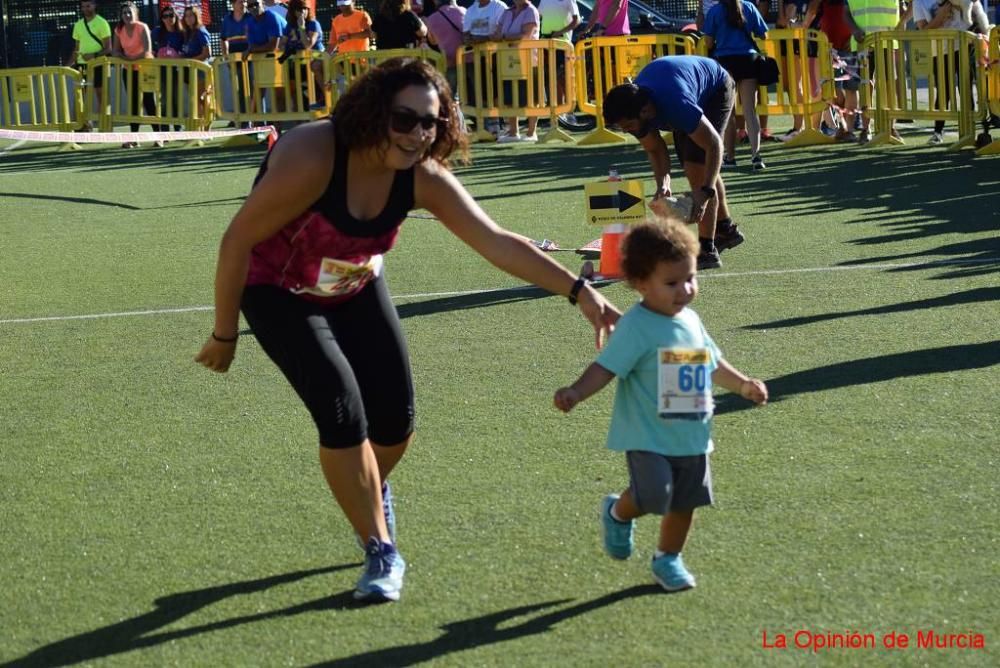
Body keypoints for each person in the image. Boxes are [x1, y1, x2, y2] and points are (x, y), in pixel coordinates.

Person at [194, 58, 620, 603]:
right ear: (373, 111)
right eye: (405, 118)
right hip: (277, 289)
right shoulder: (314, 155)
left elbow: (495, 241)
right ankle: (379, 546)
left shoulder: (422, 177)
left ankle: (369, 490)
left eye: (431, 124)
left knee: (395, 423)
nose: (418, 134)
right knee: (340, 407)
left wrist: (581, 293)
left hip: (354, 284)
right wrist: (225, 334)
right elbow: (237, 241)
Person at [553, 218, 767, 592]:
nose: (685, 289)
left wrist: (743, 385)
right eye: (672, 283)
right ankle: (618, 512)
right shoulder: (637, 326)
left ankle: (668, 557)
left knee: (684, 502)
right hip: (648, 435)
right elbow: (606, 367)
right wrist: (576, 392)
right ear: (640, 283)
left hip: (692, 433)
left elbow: (712, 361)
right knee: (654, 495)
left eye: (690, 278)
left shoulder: (692, 320)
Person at [602, 56, 744, 270]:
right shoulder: (636, 109)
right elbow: (655, 149)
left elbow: (714, 146)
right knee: (695, 165)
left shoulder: (676, 104)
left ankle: (707, 250)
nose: (628, 131)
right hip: (683, 86)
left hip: (715, 88)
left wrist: (704, 192)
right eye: (624, 128)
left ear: (646, 112)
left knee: (696, 165)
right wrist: (663, 184)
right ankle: (725, 228)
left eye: (629, 126)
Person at [703, 0, 769, 170]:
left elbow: (708, 42)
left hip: (725, 62)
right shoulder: (749, 7)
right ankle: (756, 155)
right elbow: (764, 34)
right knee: (750, 110)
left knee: (729, 112)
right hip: (748, 60)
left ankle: (730, 157)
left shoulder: (715, 11)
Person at [493, 0, 540, 142]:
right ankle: (513, 132)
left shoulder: (531, 11)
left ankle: (532, 133)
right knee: (510, 97)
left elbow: (526, 35)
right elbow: (496, 33)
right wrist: (501, 37)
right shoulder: (507, 12)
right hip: (508, 60)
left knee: (532, 98)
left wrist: (504, 37)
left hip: (529, 60)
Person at [113, 1, 156, 148]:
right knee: (133, 103)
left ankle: (160, 137)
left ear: (136, 13)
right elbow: (115, 52)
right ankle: (134, 138)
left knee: (150, 102)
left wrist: (132, 59)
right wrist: (128, 61)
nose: (127, 15)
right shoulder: (118, 30)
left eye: (130, 12)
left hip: (146, 70)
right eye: (124, 12)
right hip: (129, 70)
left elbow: (147, 51)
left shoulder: (142, 27)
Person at [67, 0, 112, 130]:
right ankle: (84, 126)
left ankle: (104, 125)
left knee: (101, 95)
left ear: (95, 5)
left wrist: (94, 56)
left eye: (88, 5)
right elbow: (76, 49)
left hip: (98, 64)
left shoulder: (102, 23)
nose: (86, 8)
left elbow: (108, 48)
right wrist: (68, 65)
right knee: (80, 96)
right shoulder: (78, 25)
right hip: (82, 66)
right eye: (83, 6)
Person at [423, 0, 467, 95]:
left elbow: (432, 41)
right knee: (472, 96)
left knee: (449, 95)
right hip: (468, 59)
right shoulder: (463, 11)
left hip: (449, 60)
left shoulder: (431, 19)